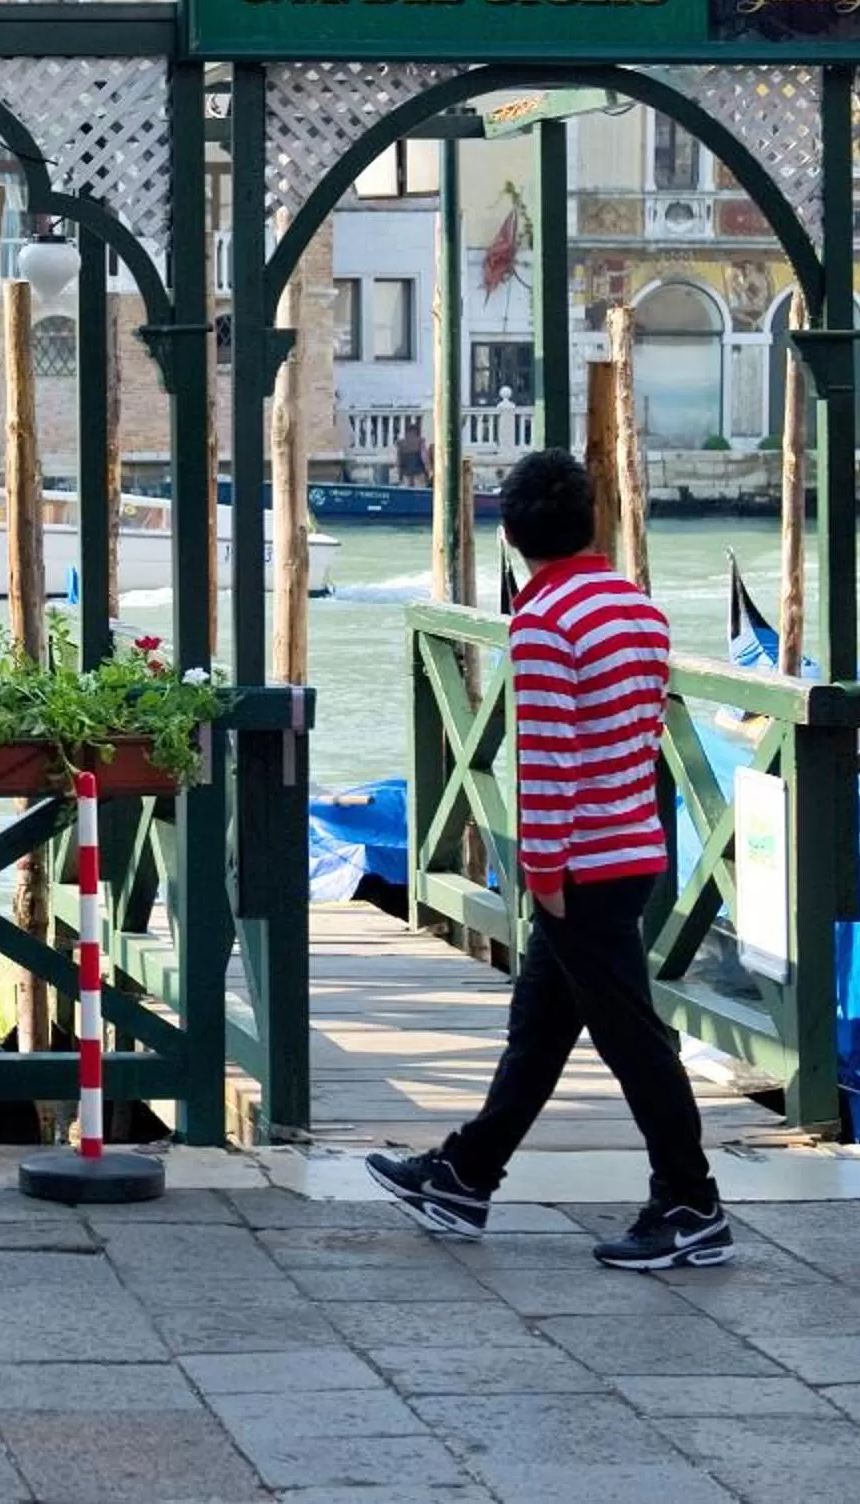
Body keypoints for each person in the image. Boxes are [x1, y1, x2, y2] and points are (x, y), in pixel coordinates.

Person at [368, 447, 732, 1271]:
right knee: (536, 1030)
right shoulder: (637, 607)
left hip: (583, 866)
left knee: (635, 1040)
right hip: (632, 843)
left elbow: (549, 757)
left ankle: (692, 1201)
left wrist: (542, 871)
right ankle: (466, 1173)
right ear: (590, 521)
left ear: (512, 533)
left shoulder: (542, 622)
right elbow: (638, 738)